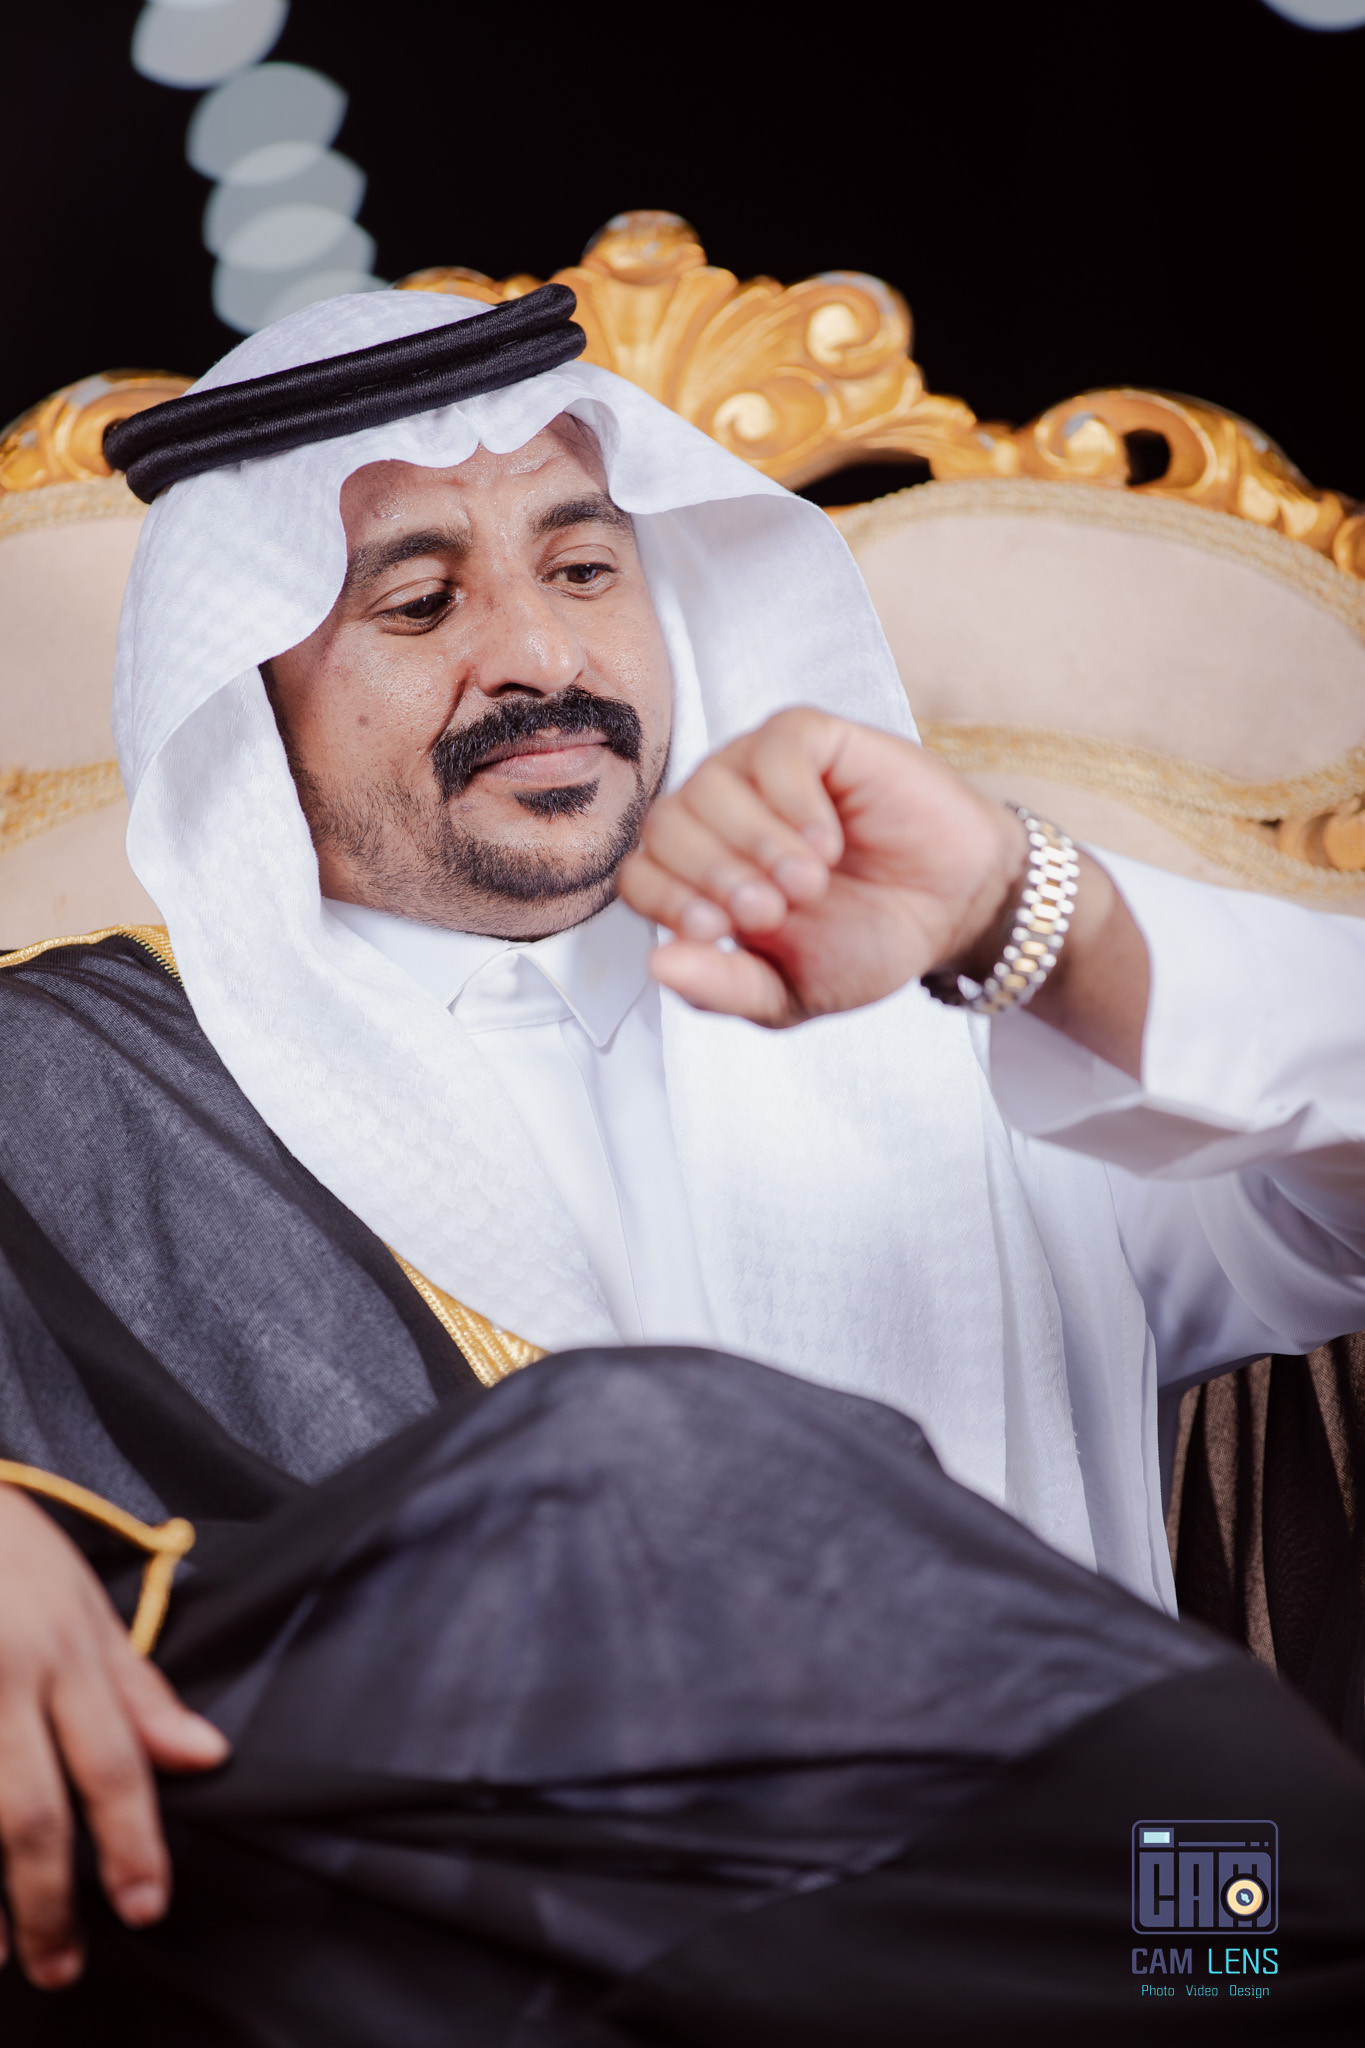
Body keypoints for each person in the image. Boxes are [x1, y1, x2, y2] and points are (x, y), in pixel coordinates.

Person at [1, 284, 1364, 2040]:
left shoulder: (962, 1010)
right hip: (480, 2002)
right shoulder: (79, 1081)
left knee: (1247, 1897)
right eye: (418, 602)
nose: (537, 656)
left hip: (1115, 1960)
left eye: (584, 569)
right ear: (242, 701)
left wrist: (1032, 918)